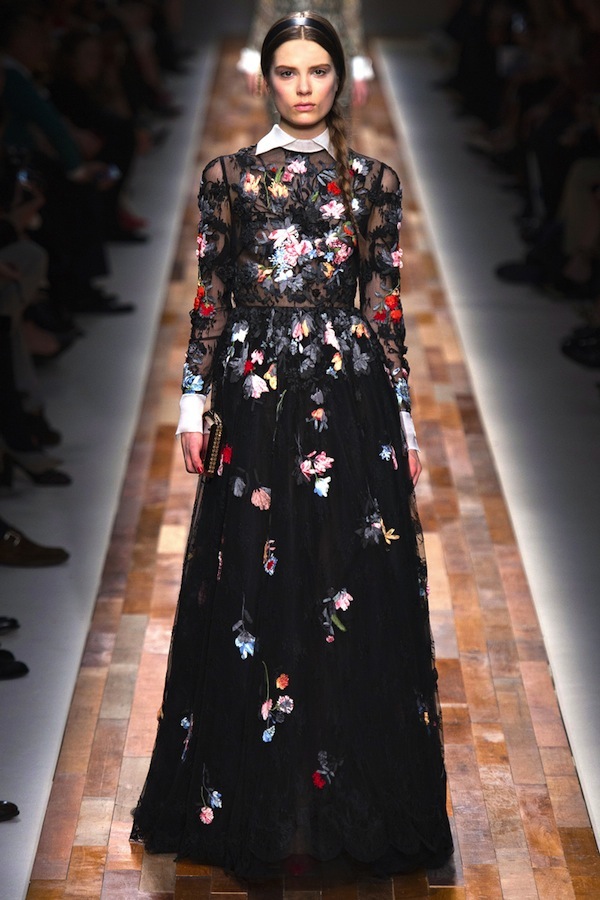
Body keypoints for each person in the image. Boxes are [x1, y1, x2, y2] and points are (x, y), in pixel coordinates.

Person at [131, 11, 453, 879]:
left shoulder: (374, 183)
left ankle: (340, 793)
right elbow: (212, 296)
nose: (304, 86)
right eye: (288, 71)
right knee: (252, 579)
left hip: (349, 397)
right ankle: (261, 797)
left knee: (346, 577)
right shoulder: (228, 177)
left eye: (318, 70)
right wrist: (192, 406)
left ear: (340, 78)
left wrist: (406, 422)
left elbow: (384, 306)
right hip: (256, 398)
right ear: (264, 79)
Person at [238, 0, 373, 107]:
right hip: (283, 45)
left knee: (333, 115)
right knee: (283, 112)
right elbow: (265, 12)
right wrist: (254, 56)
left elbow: (351, 16)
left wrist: (358, 66)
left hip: (331, 47)